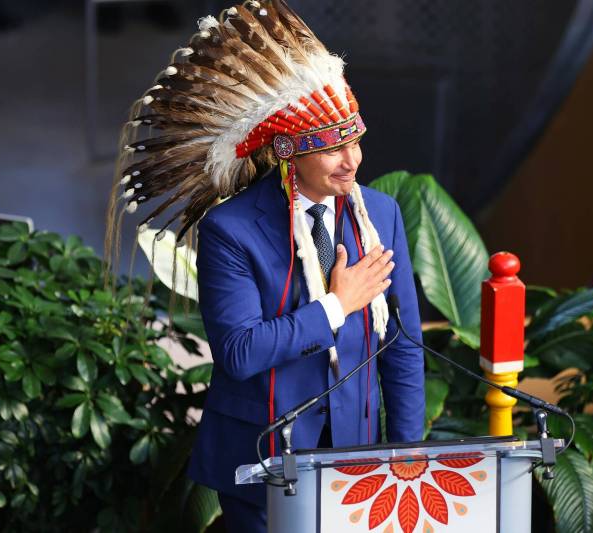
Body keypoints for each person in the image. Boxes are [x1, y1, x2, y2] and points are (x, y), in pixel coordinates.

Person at [103, 2, 425, 531]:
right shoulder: (231, 229)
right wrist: (337, 305)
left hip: (355, 456)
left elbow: (404, 347)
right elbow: (239, 352)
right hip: (263, 456)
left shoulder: (379, 214)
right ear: (288, 154)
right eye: (333, 149)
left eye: (356, 141)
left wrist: (407, 455)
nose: (353, 161)